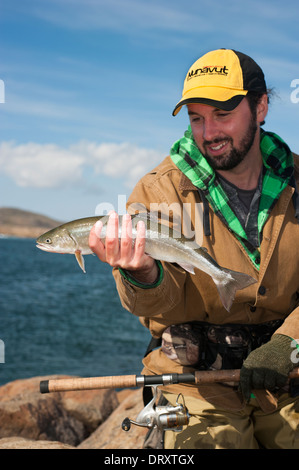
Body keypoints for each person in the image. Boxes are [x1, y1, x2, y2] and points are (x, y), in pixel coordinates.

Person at [89, 48, 299, 449]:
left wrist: (290, 342)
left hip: (286, 375)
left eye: (223, 114)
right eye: (196, 118)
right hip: (194, 384)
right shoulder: (157, 190)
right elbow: (155, 305)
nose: (208, 133)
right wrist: (143, 274)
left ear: (261, 106)